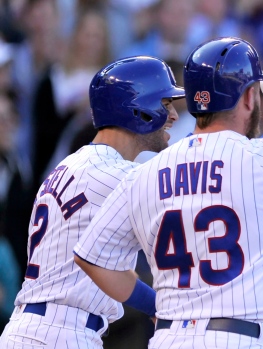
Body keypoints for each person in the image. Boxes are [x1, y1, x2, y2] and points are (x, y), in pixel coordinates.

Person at [73, 15, 263, 349]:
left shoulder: (146, 172)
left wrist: (158, 308)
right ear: (250, 98)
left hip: (169, 336)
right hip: (241, 339)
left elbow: (90, 257)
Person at [0, 55, 185, 348]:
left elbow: (113, 268)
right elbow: (203, 190)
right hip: (61, 331)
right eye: (165, 104)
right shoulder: (115, 175)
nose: (174, 115)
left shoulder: (76, 165)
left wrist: (157, 306)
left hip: (38, 328)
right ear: (137, 109)